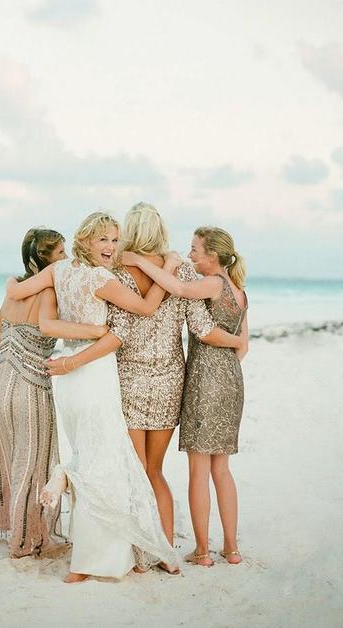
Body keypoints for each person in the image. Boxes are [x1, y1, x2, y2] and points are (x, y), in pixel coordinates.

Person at [46, 204, 244, 575]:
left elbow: (115, 330)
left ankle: (139, 557)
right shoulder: (181, 271)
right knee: (155, 471)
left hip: (129, 380)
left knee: (135, 471)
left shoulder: (116, 272)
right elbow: (199, 325)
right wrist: (237, 340)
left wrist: (73, 356)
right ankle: (166, 555)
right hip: (170, 378)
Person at [5, 212, 179, 583]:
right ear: (84, 239)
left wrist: (15, 279)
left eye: (115, 241)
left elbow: (15, 291)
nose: (111, 248)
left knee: (85, 457)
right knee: (101, 461)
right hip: (91, 371)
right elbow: (147, 308)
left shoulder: (58, 271)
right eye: (103, 240)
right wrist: (170, 271)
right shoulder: (103, 278)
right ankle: (94, 560)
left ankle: (88, 555)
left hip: (66, 374)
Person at [0, 228, 107, 558]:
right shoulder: (49, 291)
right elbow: (50, 326)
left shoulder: (11, 293)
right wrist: (95, 331)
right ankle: (22, 540)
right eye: (61, 253)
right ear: (46, 262)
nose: (66, 259)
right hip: (30, 386)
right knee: (30, 464)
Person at [122, 226, 248, 567]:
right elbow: (242, 347)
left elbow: (176, 288)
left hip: (205, 380)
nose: (191, 255)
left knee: (198, 470)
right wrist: (231, 353)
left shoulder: (213, 283)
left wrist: (139, 260)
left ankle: (203, 552)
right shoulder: (240, 291)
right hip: (232, 380)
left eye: (195, 250)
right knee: (222, 469)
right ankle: (232, 550)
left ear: (213, 256)